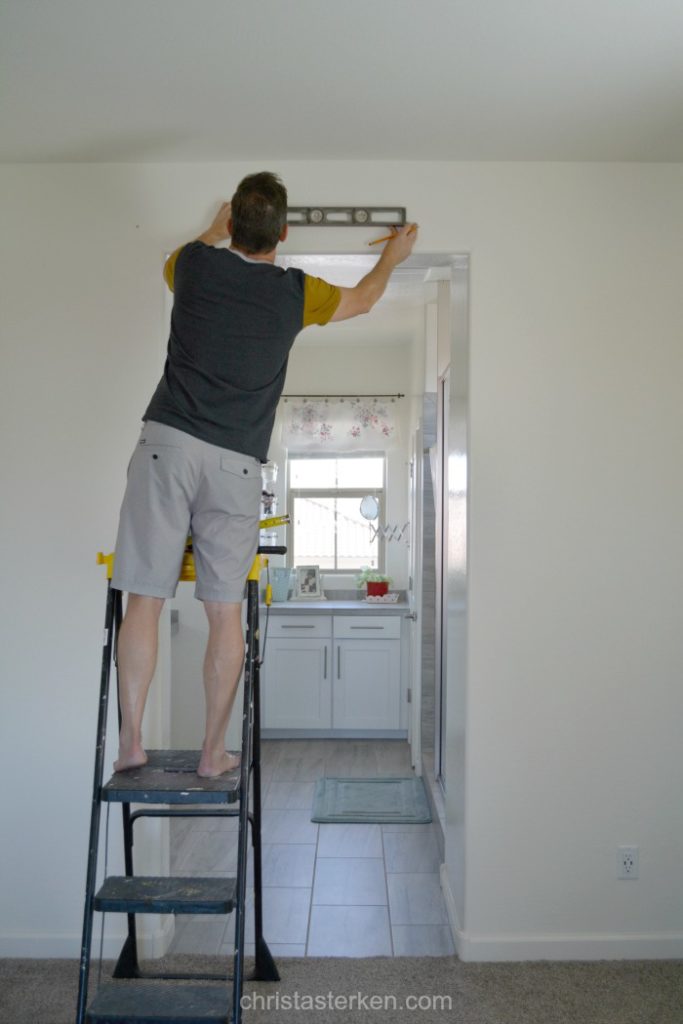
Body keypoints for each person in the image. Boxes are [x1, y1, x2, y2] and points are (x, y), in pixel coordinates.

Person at [111, 172, 417, 777]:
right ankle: (211, 753)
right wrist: (393, 254)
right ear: (283, 232)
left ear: (233, 224)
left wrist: (213, 226)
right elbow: (365, 299)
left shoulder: (194, 265)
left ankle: (129, 743)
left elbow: (174, 261)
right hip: (235, 463)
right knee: (225, 611)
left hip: (166, 443)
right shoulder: (296, 291)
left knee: (142, 599)